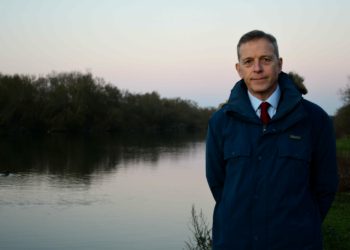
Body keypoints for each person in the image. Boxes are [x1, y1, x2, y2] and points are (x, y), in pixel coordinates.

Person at [206, 30, 339, 250]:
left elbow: (325, 186)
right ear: (239, 70)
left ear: (279, 63)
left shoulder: (315, 119)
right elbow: (218, 185)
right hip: (234, 243)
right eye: (248, 62)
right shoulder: (220, 122)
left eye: (265, 60)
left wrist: (302, 225)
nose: (257, 69)